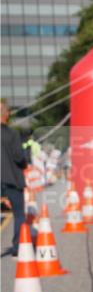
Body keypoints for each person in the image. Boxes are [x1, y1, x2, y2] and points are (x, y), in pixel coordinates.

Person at [1, 100, 28, 255]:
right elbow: (19, 157)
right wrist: (25, 164)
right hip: (11, 180)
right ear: (8, 114)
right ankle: (18, 247)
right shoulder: (12, 133)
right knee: (18, 214)